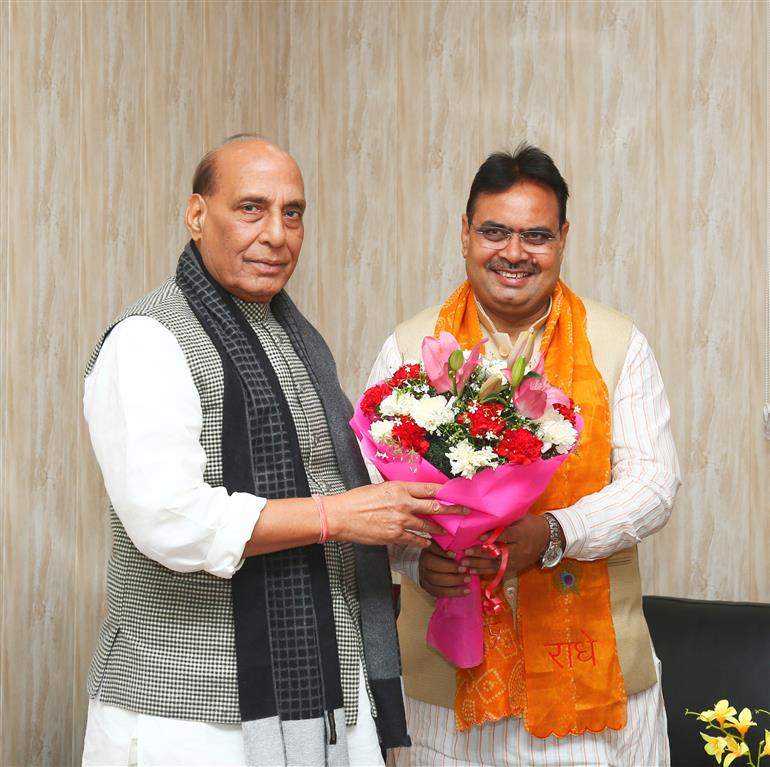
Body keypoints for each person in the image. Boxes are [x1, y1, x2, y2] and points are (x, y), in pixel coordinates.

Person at [81, 135, 462, 767]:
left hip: (325, 695)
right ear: (197, 215)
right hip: (186, 711)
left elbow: (338, 494)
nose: (277, 234)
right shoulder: (148, 339)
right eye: (251, 208)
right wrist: (335, 515)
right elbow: (168, 518)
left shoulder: (298, 342)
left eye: (293, 213)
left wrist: (414, 546)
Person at [367, 144, 681, 766]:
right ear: (464, 234)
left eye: (536, 235)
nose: (514, 253)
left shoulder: (617, 343)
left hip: (592, 692)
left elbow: (653, 483)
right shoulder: (410, 346)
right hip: (444, 693)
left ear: (563, 238)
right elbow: (373, 491)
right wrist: (417, 560)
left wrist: (555, 532)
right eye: (494, 231)